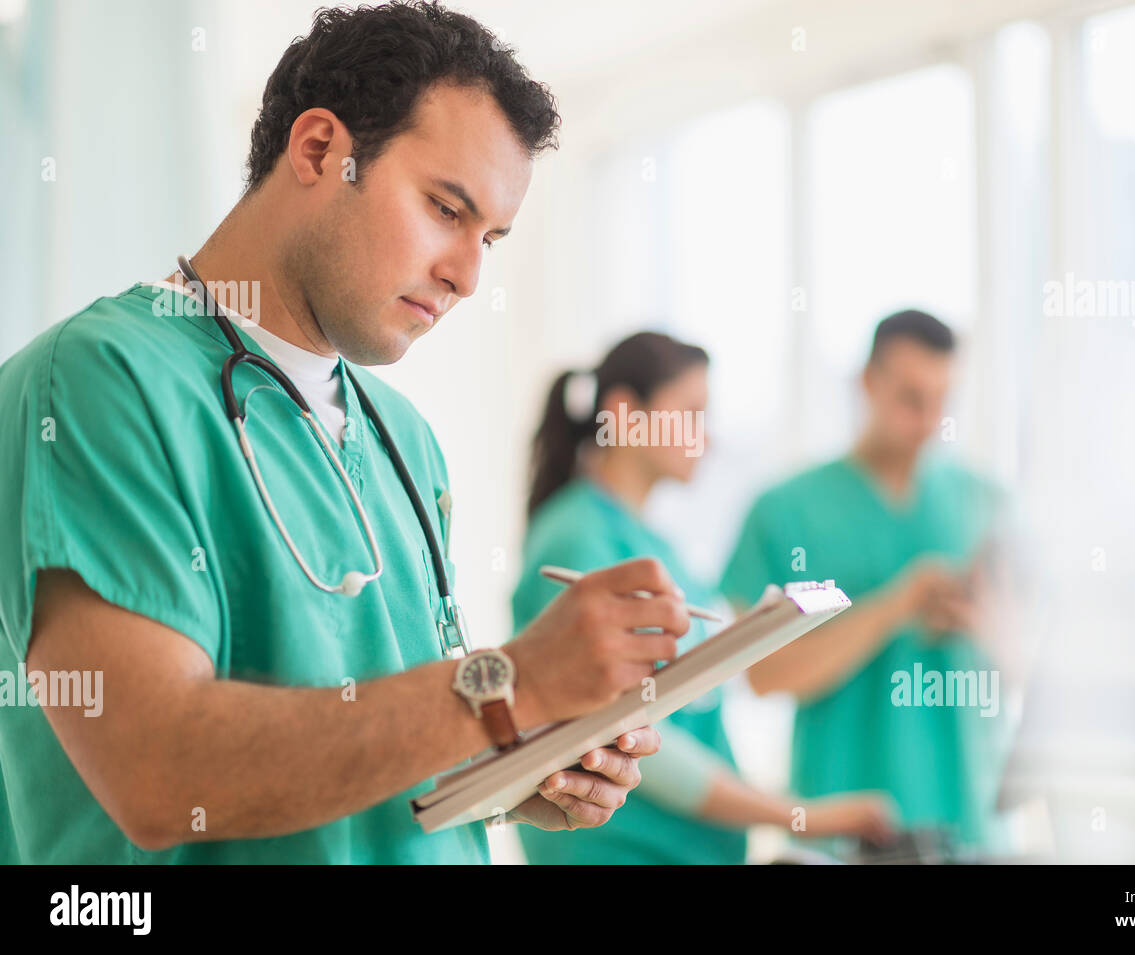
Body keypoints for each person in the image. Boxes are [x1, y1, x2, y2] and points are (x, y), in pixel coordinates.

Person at [0, 2, 684, 864]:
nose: (468, 275)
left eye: (491, 239)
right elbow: (159, 769)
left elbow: (377, 732)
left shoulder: (404, 441)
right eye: (445, 208)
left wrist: (522, 757)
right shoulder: (98, 381)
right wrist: (510, 681)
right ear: (320, 149)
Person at [511, 331, 897, 864]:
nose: (705, 439)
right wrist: (800, 816)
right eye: (691, 413)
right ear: (624, 412)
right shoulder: (578, 538)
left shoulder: (657, 546)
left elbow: (685, 706)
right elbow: (626, 728)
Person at [720, 310, 1011, 856]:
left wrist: (982, 622)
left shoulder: (984, 505)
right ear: (867, 384)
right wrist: (895, 606)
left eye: (943, 400)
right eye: (910, 399)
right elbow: (761, 677)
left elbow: (1028, 667)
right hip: (841, 833)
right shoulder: (784, 512)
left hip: (969, 827)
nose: (929, 419)